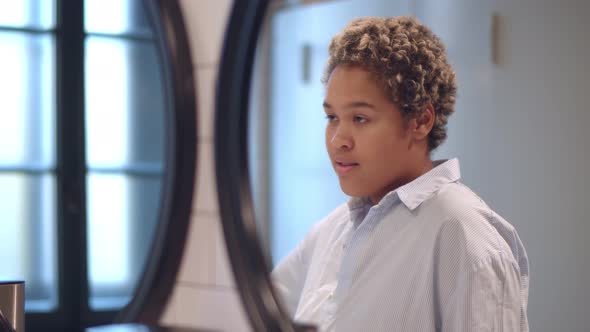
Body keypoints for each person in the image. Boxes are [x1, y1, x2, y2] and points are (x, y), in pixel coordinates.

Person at [271, 16, 529, 332]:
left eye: (360, 118)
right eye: (332, 117)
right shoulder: (331, 230)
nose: (338, 139)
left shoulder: (465, 237)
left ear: (420, 121)